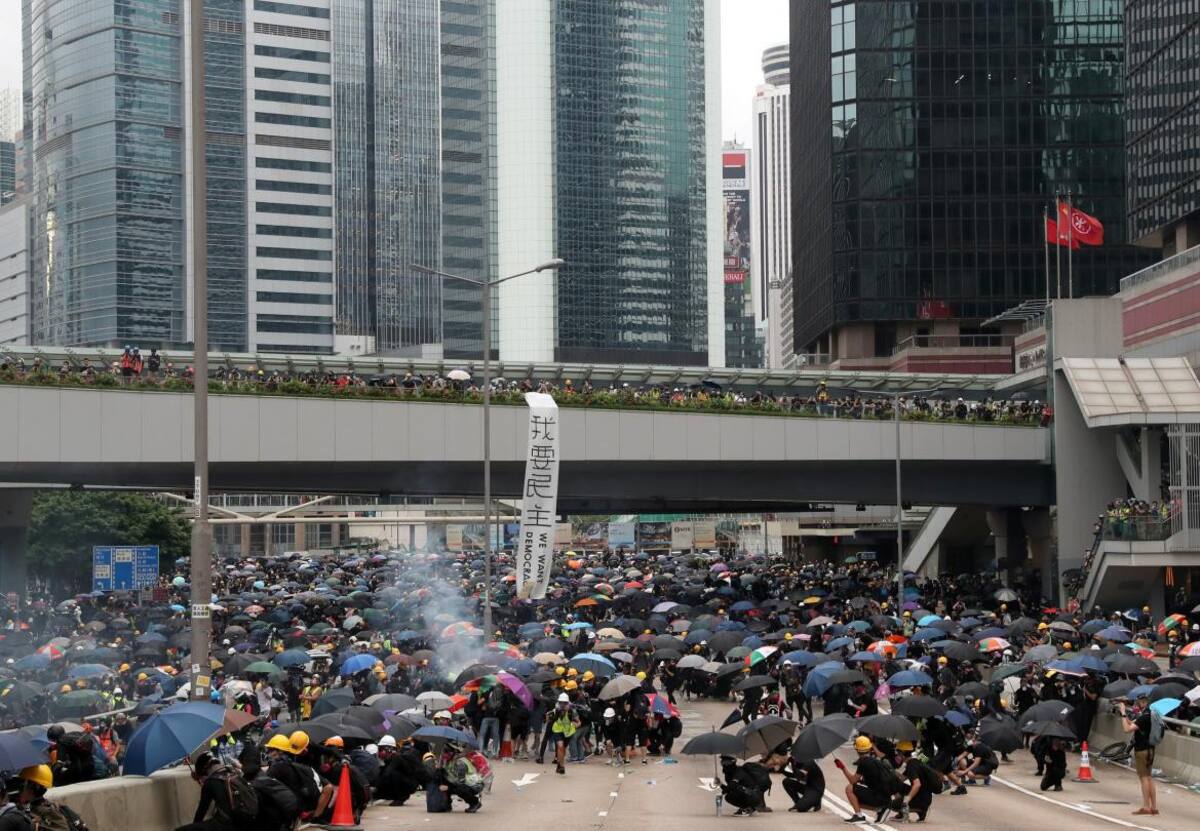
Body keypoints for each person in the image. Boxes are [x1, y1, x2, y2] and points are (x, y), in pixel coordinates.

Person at [177, 751, 258, 831]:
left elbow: (201, 813)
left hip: (228, 824)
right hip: (247, 820)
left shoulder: (210, 782)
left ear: (204, 770)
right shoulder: (232, 773)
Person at [835, 736, 894, 824]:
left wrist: (843, 768)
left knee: (849, 788)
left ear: (857, 750)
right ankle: (880, 808)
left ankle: (859, 816)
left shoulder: (863, 762)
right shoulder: (873, 760)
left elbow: (853, 781)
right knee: (856, 795)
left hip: (880, 798)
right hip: (885, 796)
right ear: (869, 748)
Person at [1119, 696, 1159, 815]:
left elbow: (1127, 729)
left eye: (1138, 704)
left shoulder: (1144, 717)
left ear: (1143, 703)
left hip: (1142, 750)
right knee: (1149, 777)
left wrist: (1122, 713)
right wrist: (1128, 718)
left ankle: (1146, 807)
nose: (1136, 706)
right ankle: (1154, 807)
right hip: (1151, 749)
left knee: (1144, 778)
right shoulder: (1152, 715)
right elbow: (1134, 724)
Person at [894, 740, 940, 823]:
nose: (897, 755)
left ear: (902, 753)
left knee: (894, 805)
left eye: (898, 753)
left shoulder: (911, 765)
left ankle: (907, 811)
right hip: (926, 797)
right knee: (896, 784)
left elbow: (917, 784)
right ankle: (921, 811)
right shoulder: (916, 761)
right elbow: (901, 779)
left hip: (922, 799)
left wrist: (907, 800)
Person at [549, 693, 580, 775]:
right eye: (561, 703)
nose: (562, 705)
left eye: (564, 703)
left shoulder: (572, 711)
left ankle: (559, 764)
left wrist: (575, 724)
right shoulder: (555, 710)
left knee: (563, 750)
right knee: (560, 746)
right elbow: (548, 719)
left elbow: (578, 722)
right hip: (557, 730)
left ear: (567, 703)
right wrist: (548, 717)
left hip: (568, 732)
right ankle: (562, 766)